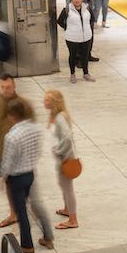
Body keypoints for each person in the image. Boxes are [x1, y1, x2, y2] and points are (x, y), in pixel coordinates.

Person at [0, 98, 55, 253]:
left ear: (12, 115)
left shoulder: (11, 136)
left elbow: (8, 162)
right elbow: (37, 151)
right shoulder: (36, 128)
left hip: (16, 178)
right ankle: (48, 236)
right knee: (37, 205)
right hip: (30, 173)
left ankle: (27, 245)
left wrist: (3, 177)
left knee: (21, 211)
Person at [0, 74, 26, 229]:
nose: (5, 90)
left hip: (18, 154)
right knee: (8, 184)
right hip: (0, 150)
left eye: (8, 87)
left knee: (22, 186)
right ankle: (13, 213)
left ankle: (22, 212)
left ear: (14, 86)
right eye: (2, 87)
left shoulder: (21, 105)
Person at [44, 90, 79, 229]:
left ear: (55, 103)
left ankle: (73, 220)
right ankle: (66, 209)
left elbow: (67, 138)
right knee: (62, 184)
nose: (44, 102)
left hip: (65, 158)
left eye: (47, 100)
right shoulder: (55, 115)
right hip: (61, 158)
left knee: (67, 188)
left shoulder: (60, 117)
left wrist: (58, 151)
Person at [56, 0, 96, 83]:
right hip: (72, 38)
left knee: (85, 56)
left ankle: (86, 74)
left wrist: (87, 29)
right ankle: (72, 74)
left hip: (86, 37)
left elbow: (92, 19)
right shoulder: (67, 10)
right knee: (73, 56)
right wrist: (68, 28)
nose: (77, 0)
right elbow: (60, 21)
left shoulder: (87, 8)